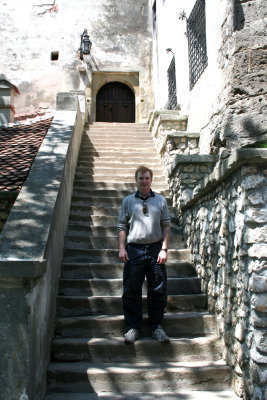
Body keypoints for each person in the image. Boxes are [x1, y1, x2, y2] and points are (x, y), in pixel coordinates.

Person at [117, 165, 171, 343]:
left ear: (151, 180)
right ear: (136, 180)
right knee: (131, 289)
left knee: (158, 289)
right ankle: (133, 327)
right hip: (134, 250)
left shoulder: (161, 201)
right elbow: (122, 226)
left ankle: (156, 327)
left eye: (147, 178)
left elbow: (166, 226)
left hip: (156, 249)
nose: (144, 181)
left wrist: (164, 249)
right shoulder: (128, 201)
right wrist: (122, 248)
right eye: (141, 178)